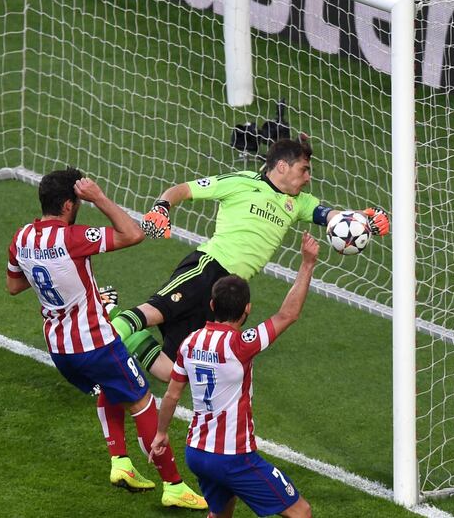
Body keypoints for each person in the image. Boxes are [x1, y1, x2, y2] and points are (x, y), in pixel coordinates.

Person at [106, 138, 389, 381]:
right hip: (207, 266)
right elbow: (183, 189)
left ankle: (114, 319)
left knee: (172, 372)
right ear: (282, 166)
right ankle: (96, 348)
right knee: (153, 311)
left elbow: (330, 217)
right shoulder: (240, 182)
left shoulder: (299, 202)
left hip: (228, 288)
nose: (308, 178)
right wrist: (161, 208)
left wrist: (362, 220)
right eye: (304, 170)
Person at [6, 167, 206, 510]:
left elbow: (13, 286)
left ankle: (121, 464)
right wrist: (98, 197)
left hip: (59, 349)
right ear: (70, 204)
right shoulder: (72, 238)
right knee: (143, 401)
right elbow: (132, 234)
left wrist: (50, 274)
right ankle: (174, 486)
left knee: (113, 388)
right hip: (95, 342)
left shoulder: (22, 239)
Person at [149, 233, 320, 518]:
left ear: (212, 305)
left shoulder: (189, 342)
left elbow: (172, 394)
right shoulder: (241, 344)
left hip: (197, 453)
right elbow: (287, 314)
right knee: (301, 512)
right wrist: (307, 264)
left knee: (220, 513)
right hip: (233, 457)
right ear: (247, 310)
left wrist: (161, 433)